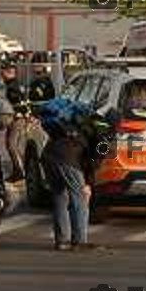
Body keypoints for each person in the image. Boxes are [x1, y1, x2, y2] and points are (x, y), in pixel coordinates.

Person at [40, 107, 96, 251]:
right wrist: (89, 184)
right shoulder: (102, 138)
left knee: (60, 196)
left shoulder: (76, 126)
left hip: (48, 156)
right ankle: (79, 241)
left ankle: (62, 241)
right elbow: (92, 161)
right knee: (80, 196)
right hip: (67, 159)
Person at [1, 63, 29, 182]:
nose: (1, 75)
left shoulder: (13, 86)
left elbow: (19, 103)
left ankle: (20, 172)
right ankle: (17, 171)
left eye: (3, 72)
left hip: (17, 119)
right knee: (11, 144)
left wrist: (22, 114)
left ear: (9, 73)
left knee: (12, 145)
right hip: (19, 118)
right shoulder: (15, 84)